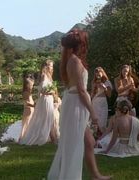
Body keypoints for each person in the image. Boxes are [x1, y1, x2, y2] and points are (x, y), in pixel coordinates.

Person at [48, 29, 110, 180]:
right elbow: (81, 90)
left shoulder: (72, 60)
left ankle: (95, 175)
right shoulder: (75, 61)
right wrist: (93, 113)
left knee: (89, 142)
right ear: (81, 44)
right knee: (74, 144)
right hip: (76, 104)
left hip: (75, 102)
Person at [19, 60, 55, 145]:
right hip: (45, 99)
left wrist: (53, 92)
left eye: (52, 66)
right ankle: (51, 138)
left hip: (49, 98)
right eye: (51, 66)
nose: (52, 68)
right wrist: (49, 92)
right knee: (47, 118)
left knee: (50, 118)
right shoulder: (43, 75)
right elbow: (41, 89)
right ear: (46, 66)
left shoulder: (49, 76)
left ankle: (52, 138)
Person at [91, 67, 112, 134]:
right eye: (96, 73)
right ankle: (95, 137)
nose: (97, 74)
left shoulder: (107, 82)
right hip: (95, 102)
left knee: (102, 122)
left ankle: (103, 138)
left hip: (102, 103)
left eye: (99, 73)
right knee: (95, 122)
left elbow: (109, 95)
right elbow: (92, 94)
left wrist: (105, 88)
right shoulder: (93, 82)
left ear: (102, 73)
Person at [19, 73, 35, 141]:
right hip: (28, 110)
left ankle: (29, 137)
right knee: (26, 124)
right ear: (27, 85)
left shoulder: (29, 92)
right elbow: (26, 103)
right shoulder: (25, 93)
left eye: (32, 85)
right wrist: (33, 105)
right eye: (30, 85)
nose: (32, 86)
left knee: (30, 123)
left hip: (31, 109)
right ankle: (22, 138)